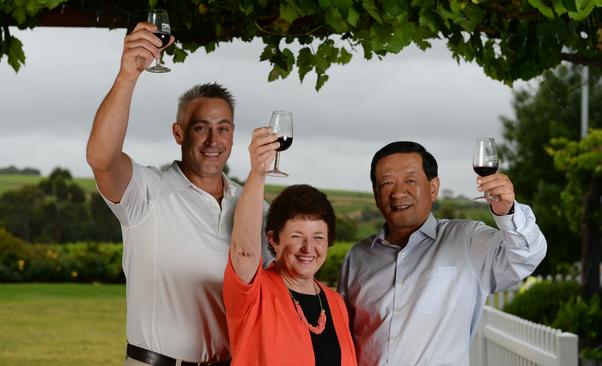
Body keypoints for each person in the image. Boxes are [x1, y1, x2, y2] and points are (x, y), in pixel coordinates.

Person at [86, 22, 268, 366]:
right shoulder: (147, 192)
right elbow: (101, 158)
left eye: (223, 129)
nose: (213, 142)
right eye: (201, 128)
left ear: (233, 136)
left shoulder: (255, 206)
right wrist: (128, 75)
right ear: (178, 133)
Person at [337, 141, 547, 366]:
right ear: (376, 194)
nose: (398, 193)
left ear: (434, 187)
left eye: (410, 180)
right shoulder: (357, 257)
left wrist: (507, 211)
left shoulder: (467, 241)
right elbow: (340, 332)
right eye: (387, 183)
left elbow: (526, 255)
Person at [222, 127, 358, 366]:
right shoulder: (254, 292)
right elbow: (244, 252)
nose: (308, 248)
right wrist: (258, 172)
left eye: (318, 237)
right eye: (296, 236)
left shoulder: (335, 303)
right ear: (273, 239)